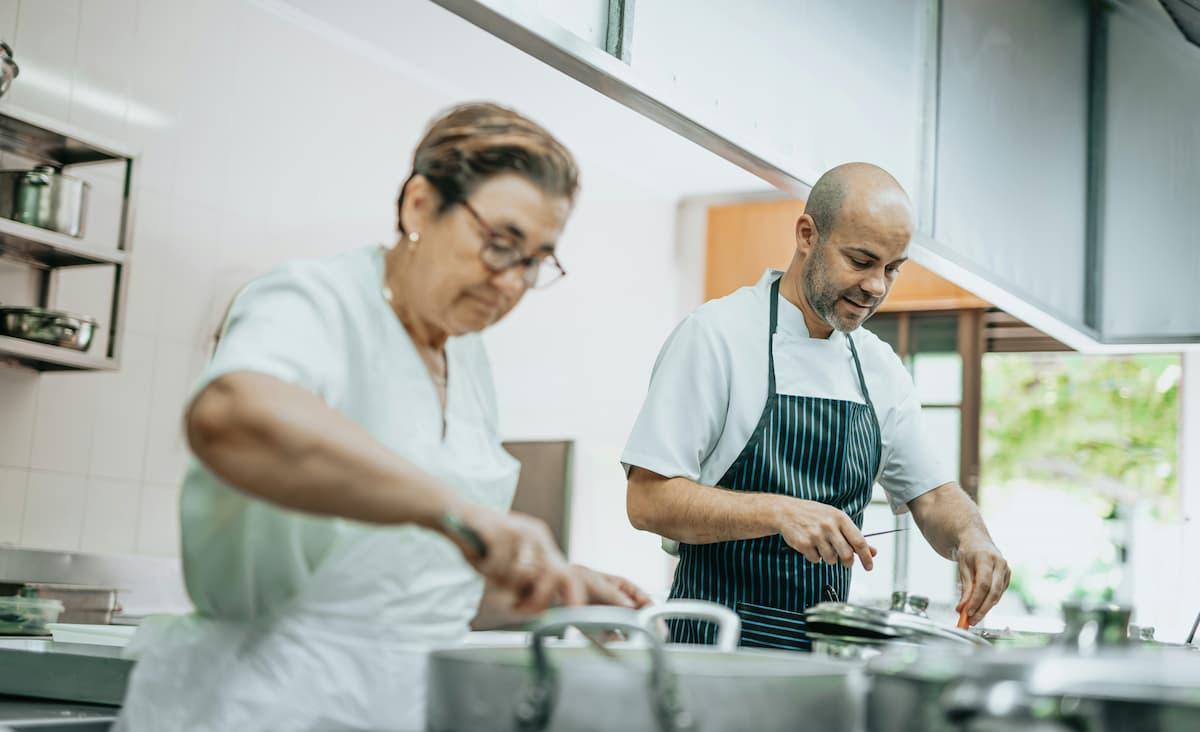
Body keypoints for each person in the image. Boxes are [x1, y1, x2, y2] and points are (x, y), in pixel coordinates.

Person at [116, 102, 648, 732]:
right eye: (501, 245)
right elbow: (230, 416)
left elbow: (392, 569)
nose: (511, 283)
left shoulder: (466, 357)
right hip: (270, 701)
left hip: (408, 702)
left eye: (534, 261)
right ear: (419, 206)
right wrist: (465, 516)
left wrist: (551, 580)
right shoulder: (316, 300)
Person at [622, 162, 1009, 651]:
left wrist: (973, 537)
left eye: (892, 269)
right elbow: (647, 500)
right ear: (807, 234)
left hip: (827, 656)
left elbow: (931, 497)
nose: (877, 286)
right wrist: (778, 512)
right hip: (715, 650)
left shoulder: (878, 365)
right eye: (861, 261)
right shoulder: (717, 336)